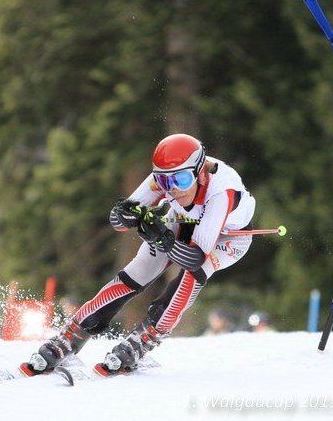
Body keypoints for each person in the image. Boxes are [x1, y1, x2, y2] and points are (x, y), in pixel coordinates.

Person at [24, 133, 256, 376]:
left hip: (226, 239)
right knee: (137, 272)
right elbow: (119, 221)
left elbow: (195, 258)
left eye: (183, 179)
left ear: (200, 172)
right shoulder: (166, 175)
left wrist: (162, 239)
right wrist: (127, 214)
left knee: (190, 278)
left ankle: (143, 340)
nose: (174, 188)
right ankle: (71, 335)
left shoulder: (222, 192)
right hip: (183, 222)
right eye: (166, 182)